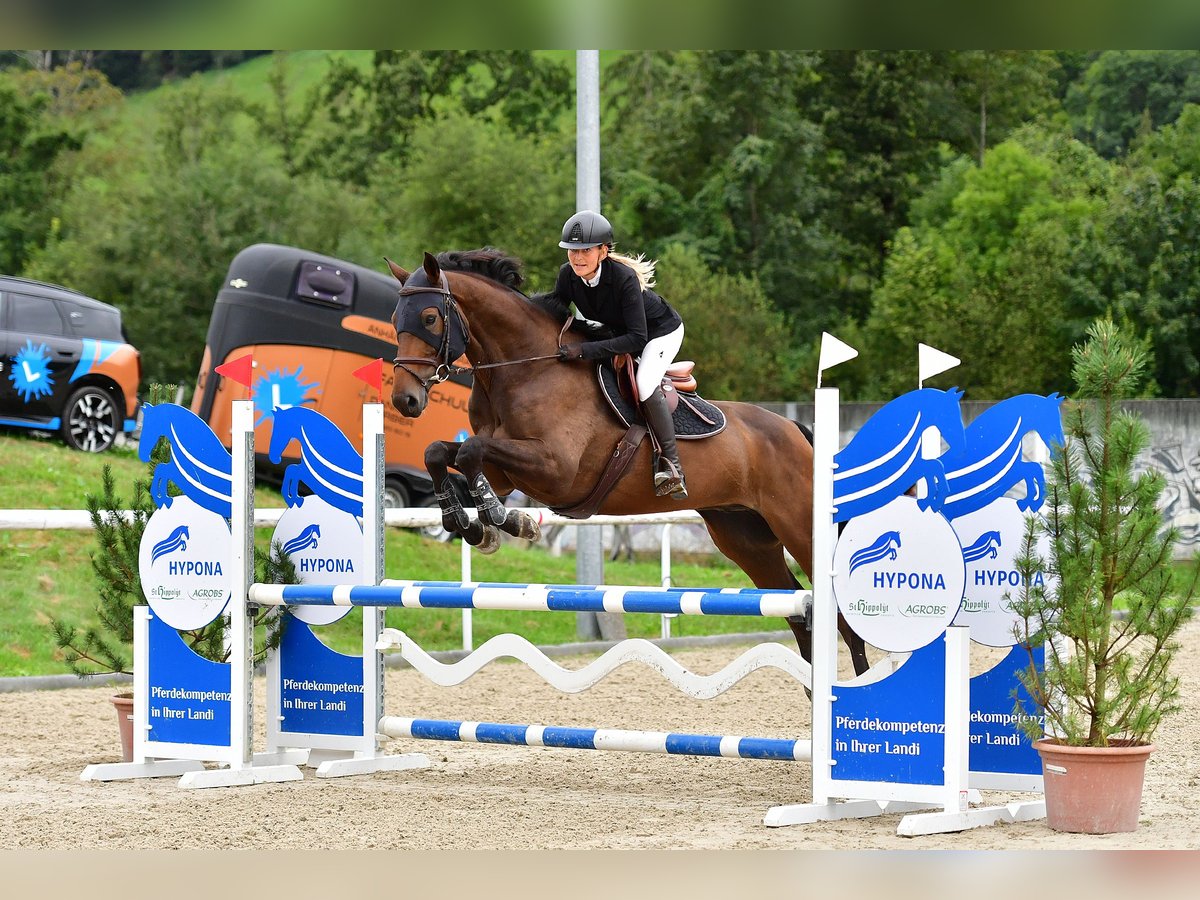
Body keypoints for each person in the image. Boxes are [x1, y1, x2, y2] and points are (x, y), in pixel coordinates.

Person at [552, 210, 687, 499]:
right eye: (572, 251)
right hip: (619, 333)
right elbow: (553, 313)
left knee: (645, 383)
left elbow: (637, 337)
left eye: (585, 250)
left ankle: (671, 466)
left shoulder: (623, 278)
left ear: (603, 251)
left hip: (660, 332)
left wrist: (583, 350)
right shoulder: (568, 277)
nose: (577, 257)